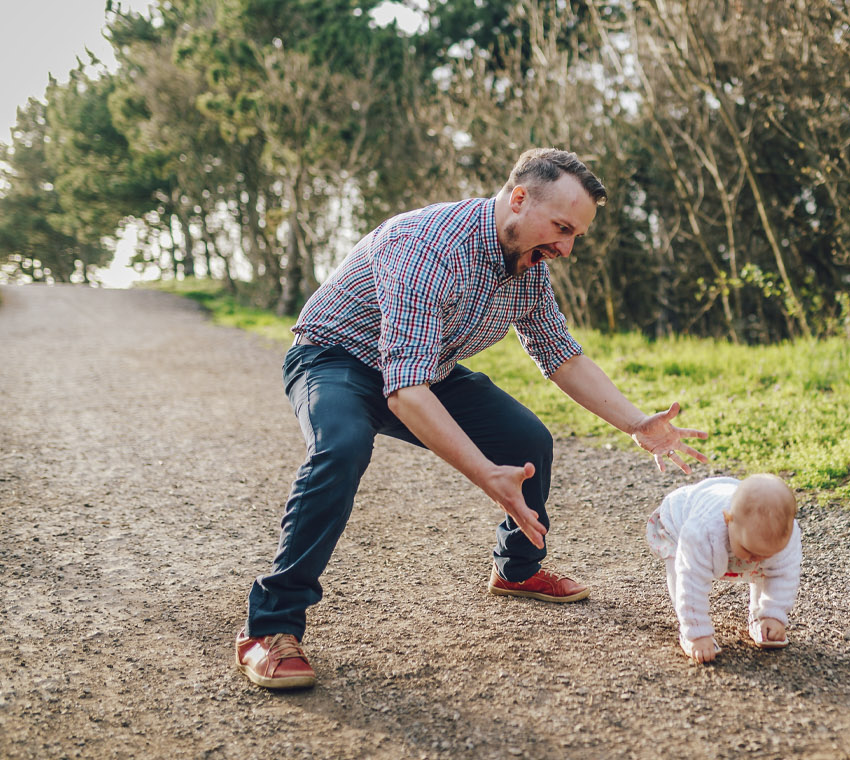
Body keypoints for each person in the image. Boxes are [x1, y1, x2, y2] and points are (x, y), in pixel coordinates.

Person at [235, 148, 708, 690]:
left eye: (576, 234)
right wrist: (487, 475)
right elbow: (404, 394)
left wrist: (634, 423)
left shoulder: (527, 264)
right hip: (335, 358)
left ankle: (517, 570)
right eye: (561, 228)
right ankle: (268, 627)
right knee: (341, 447)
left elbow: (560, 354)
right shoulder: (425, 246)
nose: (567, 247)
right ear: (519, 198)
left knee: (527, 438)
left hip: (422, 367)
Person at [645, 474, 801, 664]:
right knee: (681, 568)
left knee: (769, 567)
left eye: (766, 553)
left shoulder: (784, 535)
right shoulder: (702, 531)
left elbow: (784, 575)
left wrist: (774, 615)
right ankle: (688, 631)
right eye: (749, 551)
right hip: (678, 521)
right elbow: (691, 581)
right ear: (728, 520)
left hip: (727, 512)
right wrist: (697, 634)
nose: (756, 559)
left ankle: (760, 617)